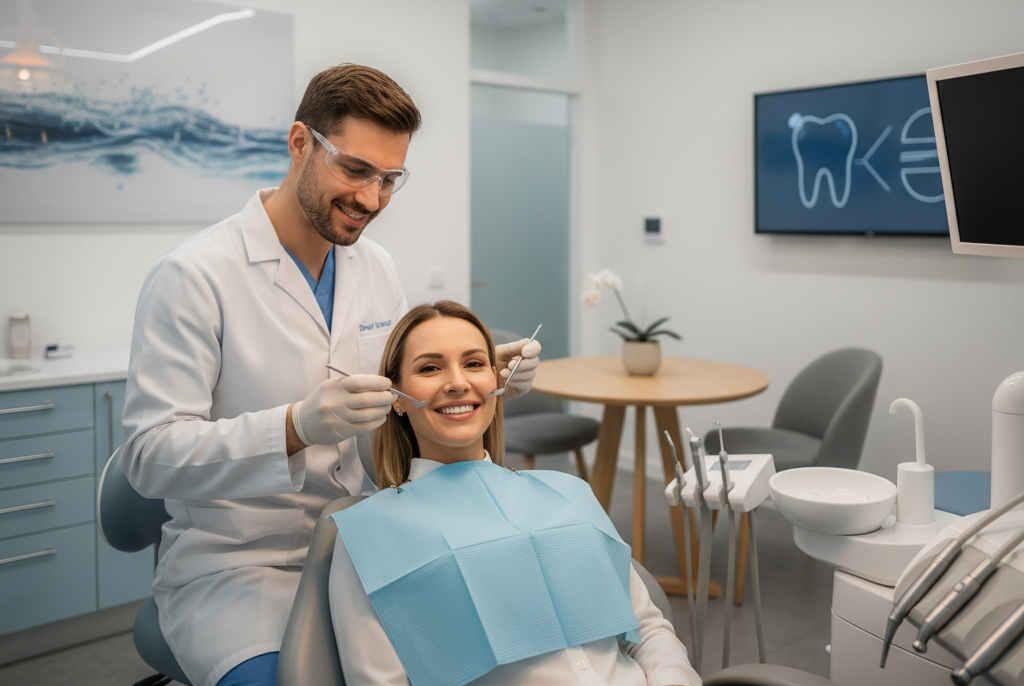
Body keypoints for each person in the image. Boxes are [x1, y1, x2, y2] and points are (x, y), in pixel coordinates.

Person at [120, 65, 542, 686]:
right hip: (239, 567)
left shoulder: (377, 269)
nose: (372, 199)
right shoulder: (193, 277)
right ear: (300, 145)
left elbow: (401, 402)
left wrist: (474, 379)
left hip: (364, 542)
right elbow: (148, 458)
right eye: (355, 169)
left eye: (390, 179)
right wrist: (295, 427)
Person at [328, 301, 701, 686]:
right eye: (430, 368)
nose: (458, 382)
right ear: (398, 397)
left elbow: (649, 629)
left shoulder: (567, 493)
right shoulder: (370, 535)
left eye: (474, 363)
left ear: (498, 381)